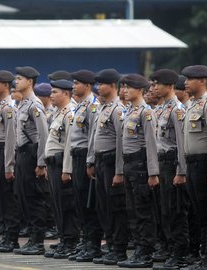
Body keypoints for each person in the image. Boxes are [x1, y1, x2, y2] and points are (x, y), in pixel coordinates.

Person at [180, 65, 207, 270]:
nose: (186, 82)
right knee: (197, 212)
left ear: (203, 82)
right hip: (191, 163)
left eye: (190, 79)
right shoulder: (191, 105)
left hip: (204, 163)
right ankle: (202, 255)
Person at [116, 74, 159, 269]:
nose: (124, 90)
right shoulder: (128, 111)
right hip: (129, 165)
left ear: (140, 90)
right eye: (124, 87)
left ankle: (145, 252)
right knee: (132, 210)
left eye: (129, 87)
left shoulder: (145, 113)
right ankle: (138, 250)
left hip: (141, 167)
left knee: (143, 211)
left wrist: (153, 173)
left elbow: (151, 144)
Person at [87, 69, 128, 265]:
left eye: (102, 84)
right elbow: (94, 138)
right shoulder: (103, 108)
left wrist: (119, 171)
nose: (98, 87)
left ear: (112, 85)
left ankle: (119, 248)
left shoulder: (118, 110)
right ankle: (111, 244)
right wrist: (91, 161)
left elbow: (122, 142)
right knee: (103, 207)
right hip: (101, 162)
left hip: (112, 163)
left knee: (115, 207)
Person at [150, 69, 190, 270]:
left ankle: (179, 252)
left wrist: (181, 171)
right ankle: (168, 247)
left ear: (170, 85)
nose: (154, 87)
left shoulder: (177, 109)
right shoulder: (160, 109)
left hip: (172, 163)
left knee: (175, 209)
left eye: (158, 84)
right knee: (163, 210)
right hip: (161, 163)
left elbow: (182, 143)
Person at [12, 66, 49, 255]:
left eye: (19, 78)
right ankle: (32, 239)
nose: (16, 81)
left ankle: (38, 241)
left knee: (34, 199)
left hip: (32, 155)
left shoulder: (35, 105)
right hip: (22, 155)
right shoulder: (23, 104)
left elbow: (43, 135)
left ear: (30, 82)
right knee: (24, 197)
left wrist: (41, 163)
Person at [43, 79, 78, 259]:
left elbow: (69, 144)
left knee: (66, 204)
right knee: (57, 204)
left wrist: (67, 169)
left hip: (61, 164)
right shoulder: (58, 113)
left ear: (66, 93)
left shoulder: (69, 113)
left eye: (55, 92)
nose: (51, 95)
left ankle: (71, 240)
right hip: (53, 163)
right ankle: (64, 237)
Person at [69, 69, 101, 262]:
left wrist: (90, 161)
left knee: (89, 203)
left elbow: (92, 137)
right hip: (76, 155)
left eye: (77, 83)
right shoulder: (80, 106)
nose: (73, 86)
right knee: (80, 202)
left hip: (85, 157)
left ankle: (93, 245)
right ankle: (86, 241)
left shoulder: (92, 106)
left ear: (87, 86)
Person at [0, 70, 21, 252]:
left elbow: (10, 139)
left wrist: (9, 165)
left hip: (4, 153)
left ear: (6, 86)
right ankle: (7, 235)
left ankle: (12, 237)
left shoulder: (9, 108)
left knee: (7, 198)